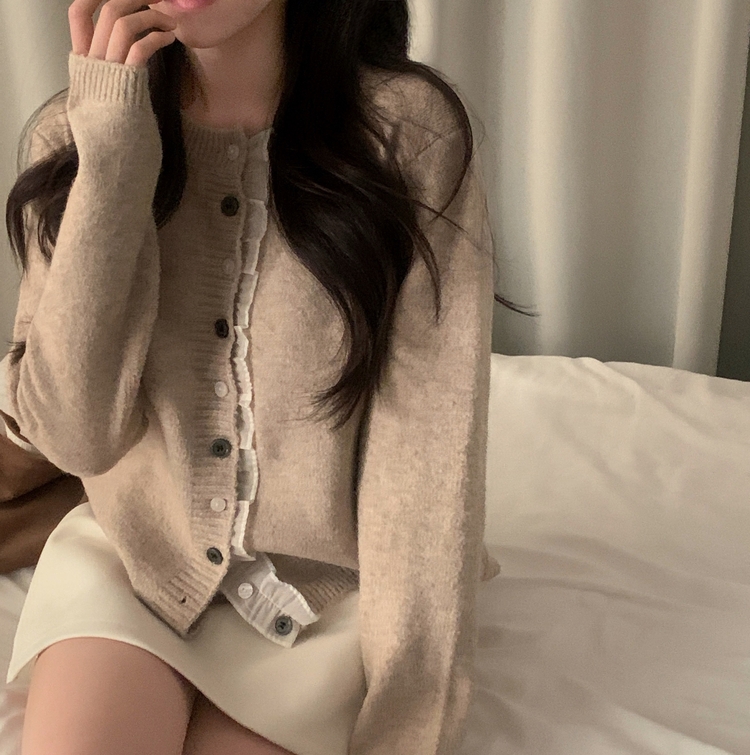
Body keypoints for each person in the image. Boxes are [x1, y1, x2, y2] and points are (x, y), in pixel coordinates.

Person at [1, 0, 518, 752]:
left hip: (330, 597)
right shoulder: (77, 129)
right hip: (135, 563)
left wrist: (408, 723)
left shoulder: (406, 133)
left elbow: (427, 463)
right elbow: (76, 436)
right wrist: (112, 159)